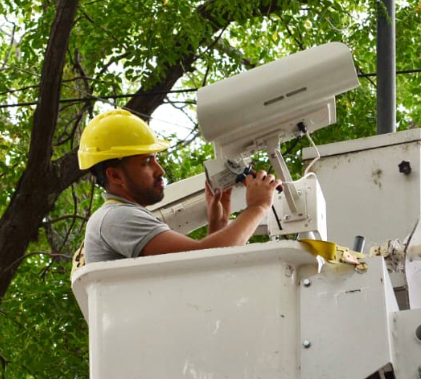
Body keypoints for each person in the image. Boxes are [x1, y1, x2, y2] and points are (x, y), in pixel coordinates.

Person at [78, 109, 283, 264]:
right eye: (147, 162)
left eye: (156, 159)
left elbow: (198, 270)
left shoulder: (119, 217)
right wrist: (258, 206)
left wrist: (218, 223)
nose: (160, 170)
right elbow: (202, 260)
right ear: (115, 175)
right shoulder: (118, 217)